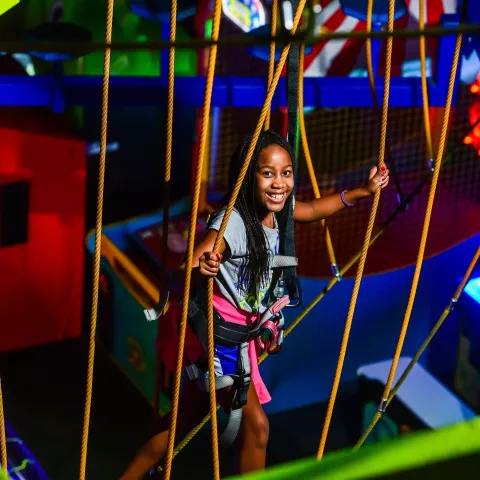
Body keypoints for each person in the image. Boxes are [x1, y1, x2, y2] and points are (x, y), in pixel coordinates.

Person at [120, 130, 389, 479]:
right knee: (257, 427)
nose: (280, 183)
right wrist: (202, 268)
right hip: (215, 341)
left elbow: (312, 209)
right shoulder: (233, 222)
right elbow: (186, 269)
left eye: (287, 172)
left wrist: (362, 192)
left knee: (179, 426)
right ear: (249, 177)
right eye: (268, 173)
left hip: (237, 339)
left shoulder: (276, 212)